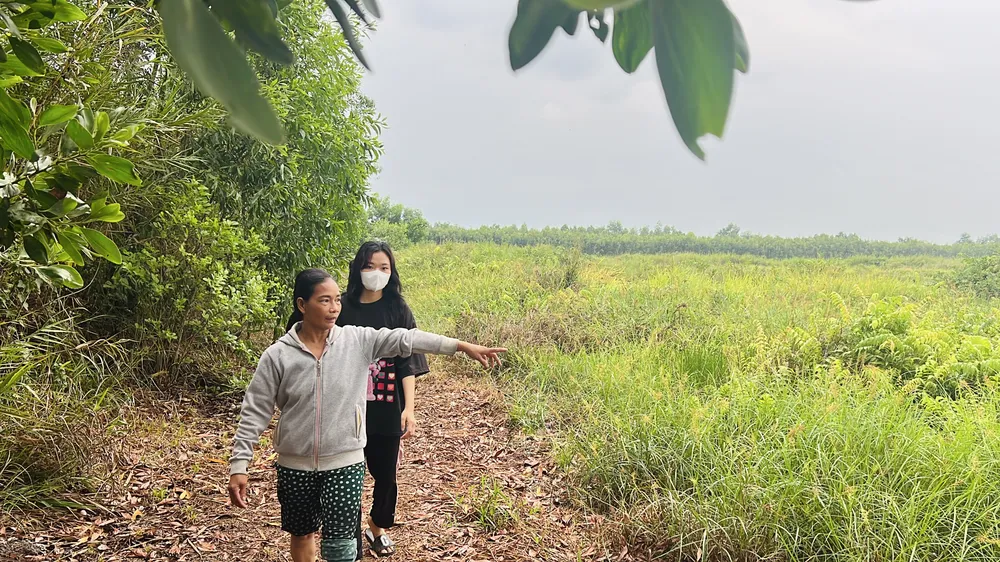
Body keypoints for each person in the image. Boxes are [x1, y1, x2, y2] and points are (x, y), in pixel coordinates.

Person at [227, 268, 505, 562]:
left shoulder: (356, 341)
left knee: (341, 545)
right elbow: (255, 410)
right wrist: (240, 464)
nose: (334, 308)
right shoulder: (278, 356)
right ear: (301, 305)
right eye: (324, 300)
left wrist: (459, 346)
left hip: (345, 461)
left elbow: (406, 339)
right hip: (295, 464)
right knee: (302, 535)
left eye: (337, 300)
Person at [336, 241, 424, 558]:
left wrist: (409, 409)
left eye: (384, 267)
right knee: (346, 472)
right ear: (358, 269)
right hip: (345, 408)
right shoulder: (341, 307)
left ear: (392, 272)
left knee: (386, 475)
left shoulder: (397, 309)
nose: (377, 273)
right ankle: (348, 532)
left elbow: (408, 362)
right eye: (370, 266)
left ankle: (377, 525)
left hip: (387, 408)